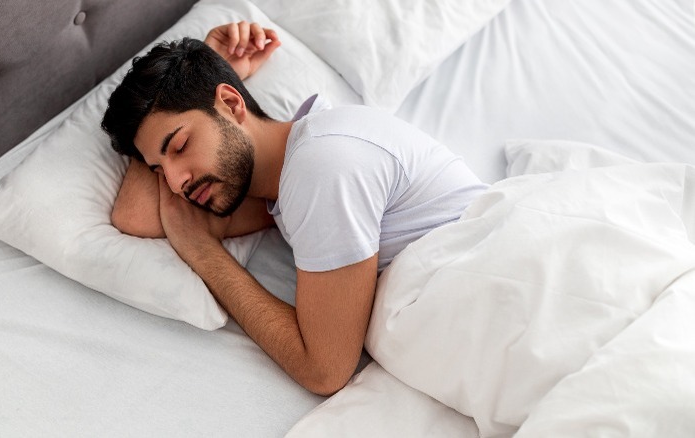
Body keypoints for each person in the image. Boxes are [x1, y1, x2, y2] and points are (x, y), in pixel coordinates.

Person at [101, 22, 488, 396]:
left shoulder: (322, 163)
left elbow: (325, 369)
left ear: (232, 103)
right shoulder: (281, 190)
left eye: (181, 145)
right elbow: (135, 217)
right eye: (157, 169)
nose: (174, 183)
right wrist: (196, 77)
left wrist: (203, 253)